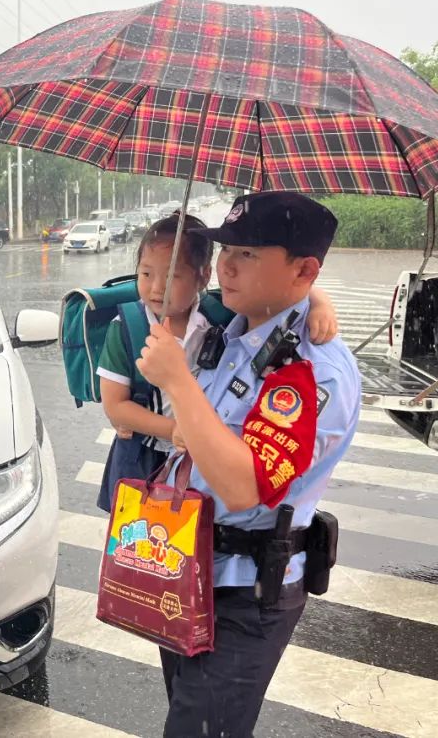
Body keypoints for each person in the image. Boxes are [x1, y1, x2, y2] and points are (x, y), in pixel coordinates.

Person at [134, 190, 360, 737]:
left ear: (304, 269)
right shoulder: (233, 332)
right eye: (226, 248)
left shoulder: (312, 371)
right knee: (192, 718)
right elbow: (130, 290)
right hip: (189, 568)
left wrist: (178, 382)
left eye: (249, 254)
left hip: (245, 592)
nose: (226, 266)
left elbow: (244, 487)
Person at [94, 211, 340, 512]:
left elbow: (287, 288)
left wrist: (319, 303)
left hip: (207, 460)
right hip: (146, 458)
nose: (158, 287)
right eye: (146, 274)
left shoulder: (222, 315)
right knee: (138, 546)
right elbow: (115, 406)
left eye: (174, 276)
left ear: (202, 276)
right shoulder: (128, 327)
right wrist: (173, 429)